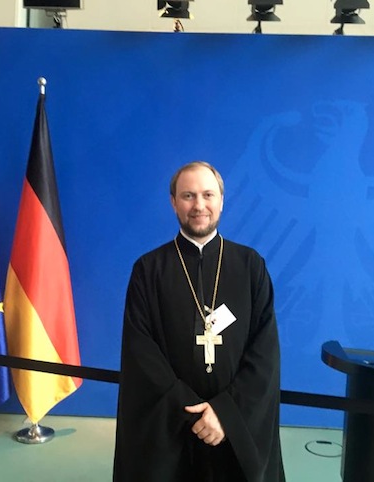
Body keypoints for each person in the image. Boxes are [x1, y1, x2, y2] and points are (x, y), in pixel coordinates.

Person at [112, 161, 285, 482]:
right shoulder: (149, 270)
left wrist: (225, 412)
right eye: (188, 195)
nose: (199, 205)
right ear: (173, 202)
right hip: (171, 425)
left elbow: (265, 352)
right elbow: (141, 352)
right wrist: (190, 411)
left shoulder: (250, 266)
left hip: (235, 427)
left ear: (222, 200)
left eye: (208, 194)